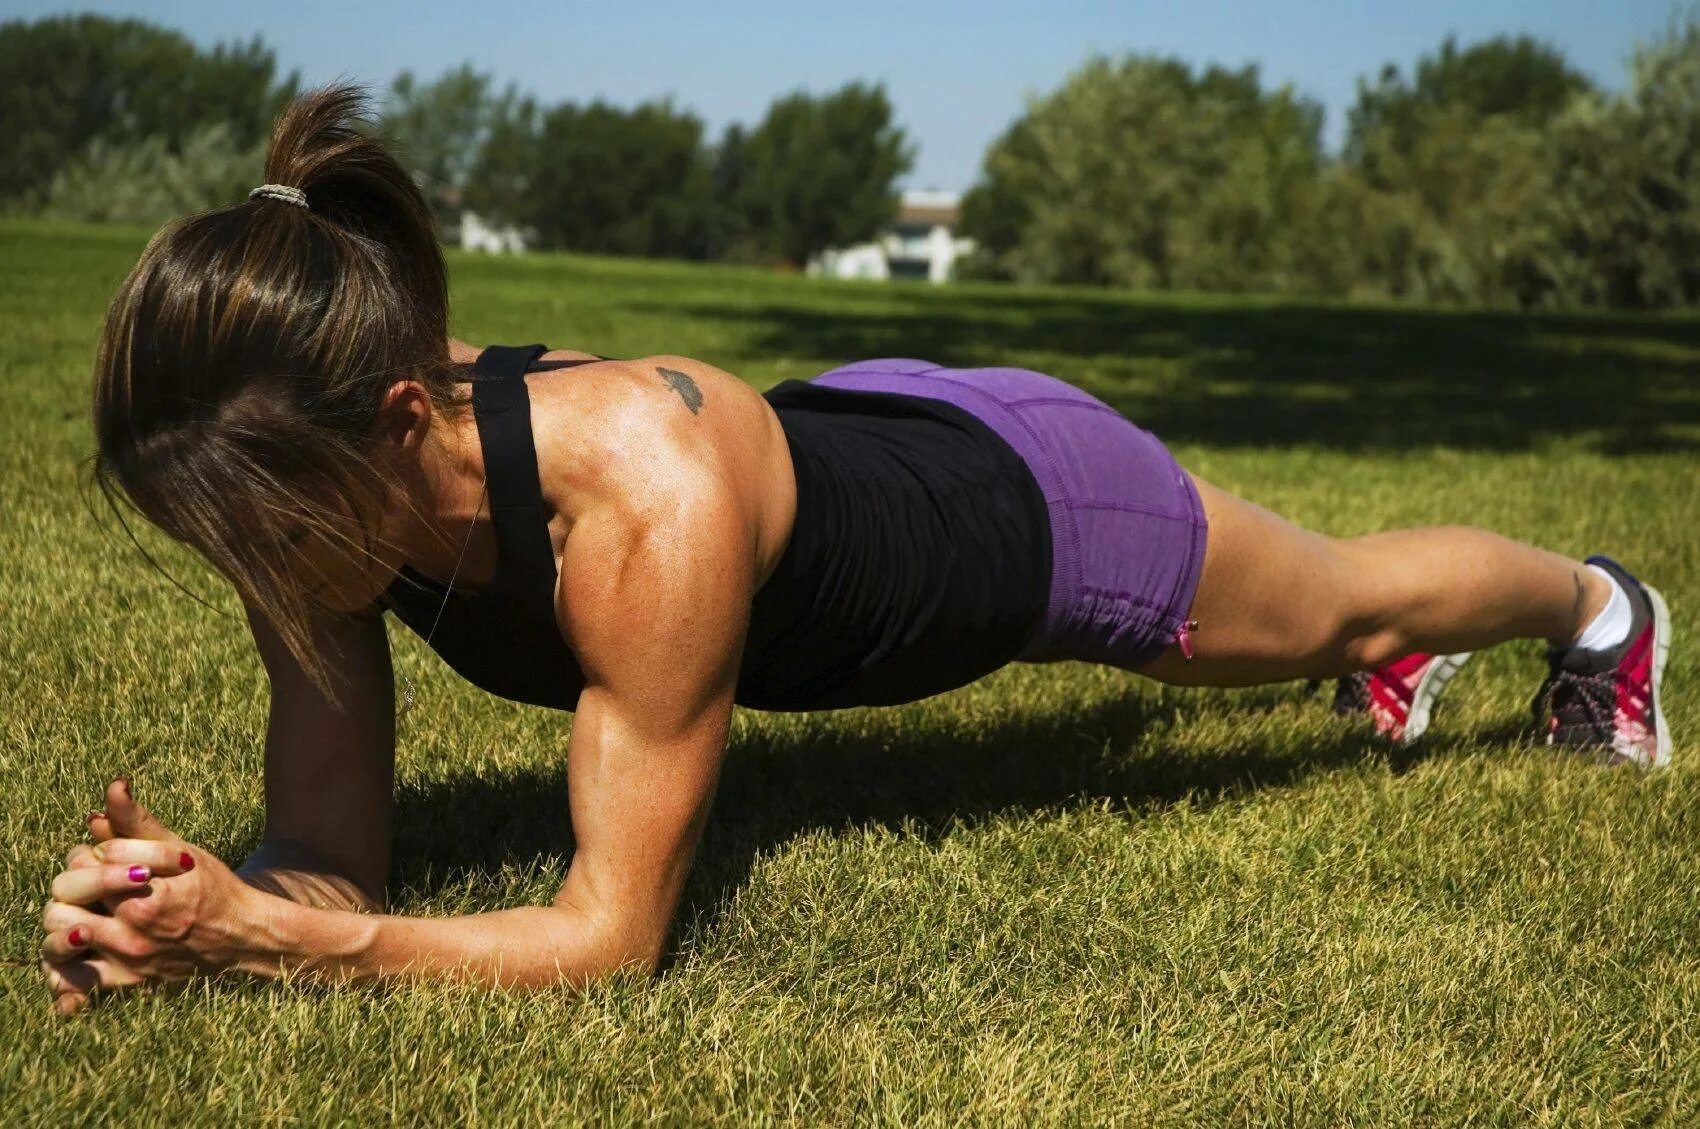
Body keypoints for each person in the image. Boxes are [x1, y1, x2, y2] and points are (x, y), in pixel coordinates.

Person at [39, 86, 1673, 1015]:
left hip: (1017, 502)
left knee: (1337, 600)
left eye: (257, 530)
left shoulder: (640, 512)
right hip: (836, 427)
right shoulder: (322, 472)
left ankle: (1600, 611)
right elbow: (330, 853)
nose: (243, 569)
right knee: (1331, 618)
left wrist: (291, 939)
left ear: (403, 419)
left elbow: (607, 938)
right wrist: (193, 911)